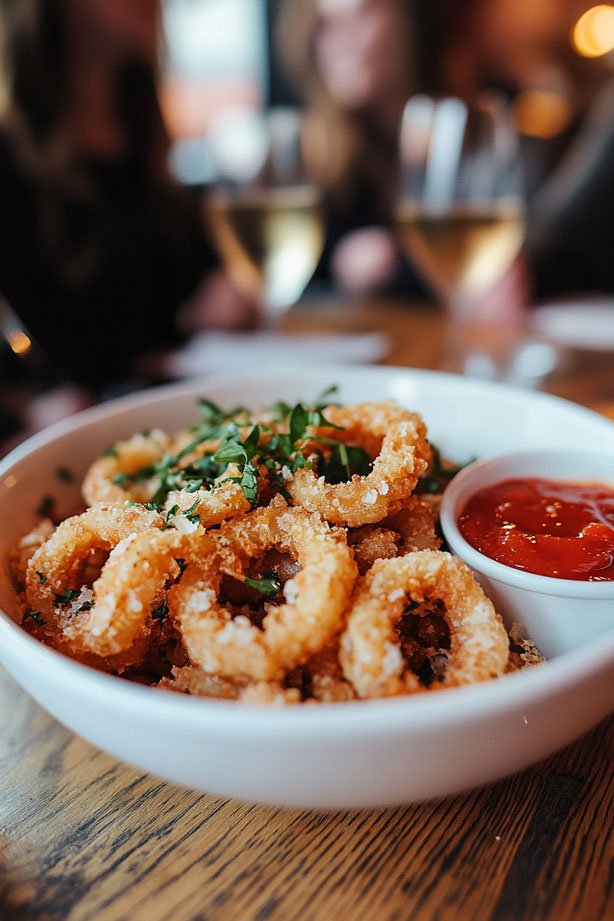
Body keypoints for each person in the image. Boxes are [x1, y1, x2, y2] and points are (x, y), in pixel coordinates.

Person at [0, 0, 256, 401]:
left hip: (165, 415)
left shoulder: (144, 142)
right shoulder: (10, 157)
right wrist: (26, 405)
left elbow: (183, 294)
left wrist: (217, 295)